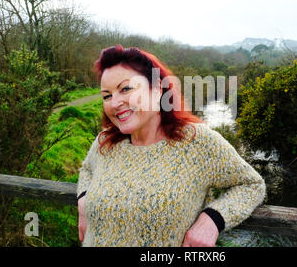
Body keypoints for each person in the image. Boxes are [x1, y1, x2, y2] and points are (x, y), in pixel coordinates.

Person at [76, 44, 266, 247]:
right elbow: (87, 169)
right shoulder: (105, 141)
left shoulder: (195, 142)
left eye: (126, 89)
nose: (114, 103)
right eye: (107, 95)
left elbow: (251, 185)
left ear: (157, 89)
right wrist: (83, 199)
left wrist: (212, 220)